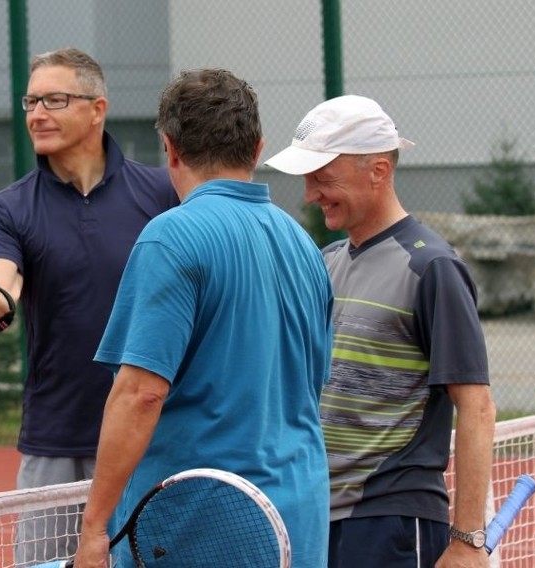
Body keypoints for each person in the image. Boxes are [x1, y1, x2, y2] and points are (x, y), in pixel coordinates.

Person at [69, 68, 334, 568]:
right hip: (300, 516)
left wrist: (93, 529)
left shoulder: (170, 237)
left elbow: (141, 392)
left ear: (169, 148)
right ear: (257, 149)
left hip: (199, 525)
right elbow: (310, 385)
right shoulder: (304, 244)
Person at [0, 47, 178, 565]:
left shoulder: (163, 192)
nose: (37, 114)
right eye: (30, 101)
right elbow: (1, 299)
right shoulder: (9, 208)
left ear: (97, 109)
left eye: (55, 99)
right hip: (56, 442)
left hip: (153, 435)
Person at [264, 94, 497, 568]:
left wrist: (468, 542)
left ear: (378, 171)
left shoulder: (433, 267)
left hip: (391, 522)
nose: (309, 194)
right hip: (314, 515)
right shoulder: (324, 263)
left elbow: (476, 407)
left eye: (323, 178)